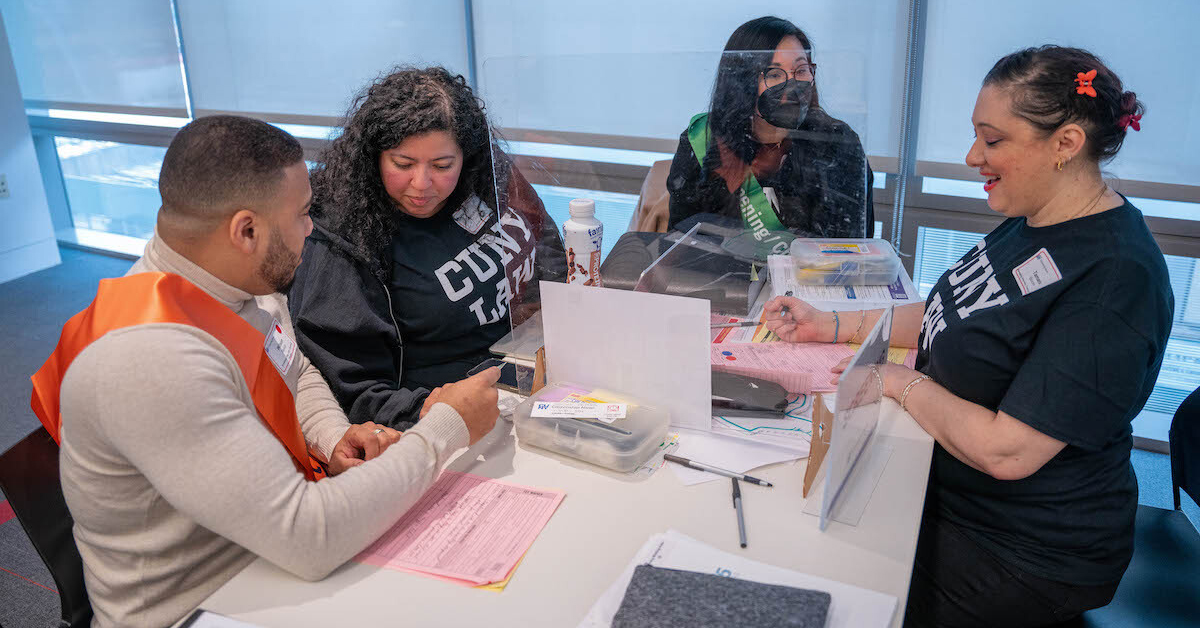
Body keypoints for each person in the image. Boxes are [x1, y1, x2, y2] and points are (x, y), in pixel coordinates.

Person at [30, 115, 501, 628]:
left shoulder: (233, 283)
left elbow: (293, 371)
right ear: (246, 230)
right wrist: (445, 426)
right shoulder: (150, 360)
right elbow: (308, 536)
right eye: (302, 215)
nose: (311, 229)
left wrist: (332, 435)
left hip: (261, 558)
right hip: (200, 608)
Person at [765, 46, 1171, 627]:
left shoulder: (1115, 276)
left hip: (1025, 550)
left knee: (821, 585)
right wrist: (830, 324)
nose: (972, 156)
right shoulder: (1034, 218)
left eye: (993, 140)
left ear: (1065, 144)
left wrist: (895, 381)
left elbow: (1008, 451)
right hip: (950, 489)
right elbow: (949, 314)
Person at [289, 66, 565, 430]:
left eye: (442, 165)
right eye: (403, 164)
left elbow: (540, 240)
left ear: (466, 156)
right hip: (440, 420)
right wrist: (436, 412)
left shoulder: (483, 176)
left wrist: (554, 313)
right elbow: (352, 393)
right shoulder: (341, 239)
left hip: (531, 378)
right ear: (374, 158)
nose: (422, 184)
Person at [667, 16, 874, 239]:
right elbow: (681, 244)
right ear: (742, 82)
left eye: (801, 70)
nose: (792, 86)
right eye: (774, 74)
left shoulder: (837, 142)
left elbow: (853, 249)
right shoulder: (704, 140)